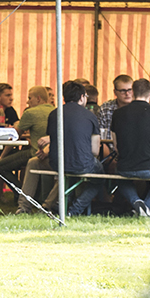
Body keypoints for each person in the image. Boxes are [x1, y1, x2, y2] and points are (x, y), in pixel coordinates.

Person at [109, 77, 150, 217]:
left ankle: (137, 202)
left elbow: (117, 147)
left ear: (133, 92)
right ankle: (147, 206)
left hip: (125, 166)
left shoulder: (117, 114)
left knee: (120, 177)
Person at [45, 80, 102, 216]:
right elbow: (95, 151)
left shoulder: (54, 114)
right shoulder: (90, 116)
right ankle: (74, 209)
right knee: (99, 178)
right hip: (81, 163)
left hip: (56, 162)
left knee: (70, 169)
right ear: (82, 97)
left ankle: (62, 203)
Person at [0, 86, 54, 195]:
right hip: (53, 154)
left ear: (38, 98)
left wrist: (2, 156)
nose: (27, 101)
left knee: (1, 166)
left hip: (35, 153)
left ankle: (21, 193)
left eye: (30, 98)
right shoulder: (56, 111)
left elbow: (15, 136)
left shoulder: (31, 112)